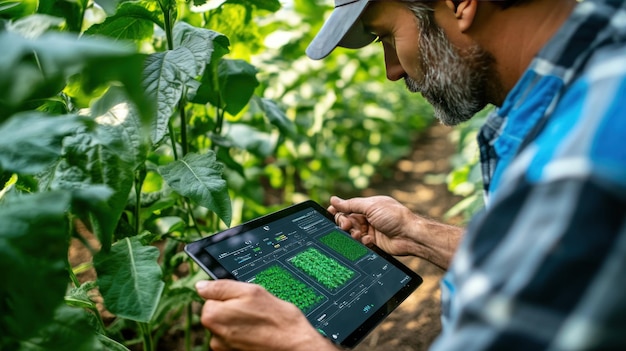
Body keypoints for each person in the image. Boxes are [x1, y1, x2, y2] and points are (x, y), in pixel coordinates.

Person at [195, 0, 626, 350]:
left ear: (461, 5)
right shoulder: (594, 72)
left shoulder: (583, 154)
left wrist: (296, 344)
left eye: (386, 35)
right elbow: (548, 269)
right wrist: (416, 232)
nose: (392, 70)